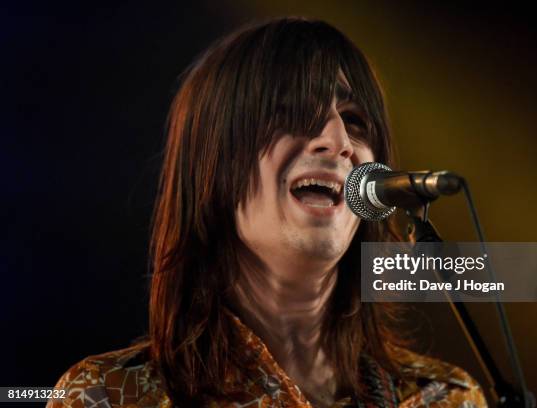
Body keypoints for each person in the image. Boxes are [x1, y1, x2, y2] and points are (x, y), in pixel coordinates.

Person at [48, 18, 487, 408]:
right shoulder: (106, 396)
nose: (337, 140)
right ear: (214, 164)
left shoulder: (445, 398)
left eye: (354, 119)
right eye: (293, 112)